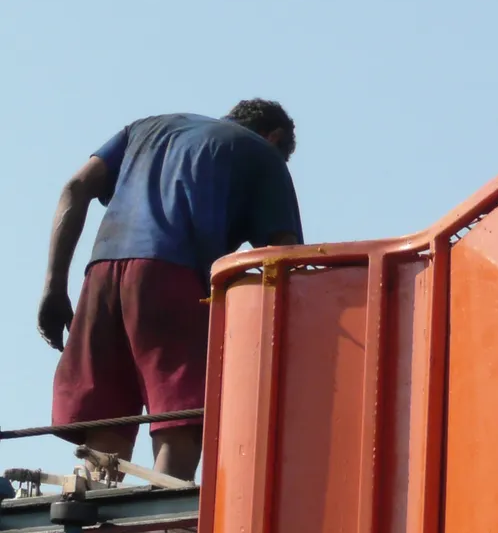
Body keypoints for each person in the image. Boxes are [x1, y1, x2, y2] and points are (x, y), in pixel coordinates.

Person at [37, 99, 305, 482]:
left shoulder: (145, 128)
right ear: (274, 136)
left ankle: (90, 522)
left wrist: (53, 287)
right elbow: (284, 255)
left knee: (107, 422)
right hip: (172, 277)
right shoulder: (262, 152)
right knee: (180, 419)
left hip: (100, 276)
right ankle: (162, 527)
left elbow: (75, 188)